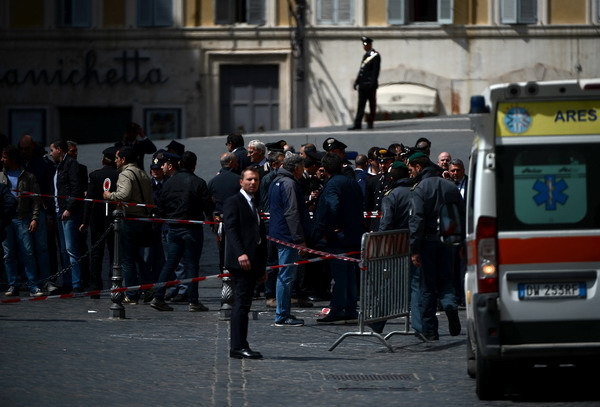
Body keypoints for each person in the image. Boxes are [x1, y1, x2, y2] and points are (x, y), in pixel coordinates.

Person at [408, 152, 464, 342]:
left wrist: (414, 249)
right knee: (447, 281)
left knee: (427, 287)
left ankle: (430, 330)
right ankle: (450, 306)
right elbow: (462, 215)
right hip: (449, 241)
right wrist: (462, 242)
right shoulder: (451, 187)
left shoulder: (421, 189)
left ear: (418, 168)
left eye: (411, 169)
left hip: (428, 242)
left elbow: (417, 220)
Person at [150, 151, 214, 312]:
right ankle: (193, 301)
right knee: (192, 264)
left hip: (173, 227)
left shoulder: (169, 183)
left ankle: (158, 296)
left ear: (179, 164)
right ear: (194, 165)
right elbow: (208, 207)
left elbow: (160, 207)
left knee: (170, 263)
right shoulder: (198, 182)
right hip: (192, 229)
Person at [312, 153, 364, 324]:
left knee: (340, 275)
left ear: (325, 169)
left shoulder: (333, 184)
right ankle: (350, 308)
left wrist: (331, 227)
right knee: (349, 274)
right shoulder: (352, 182)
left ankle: (337, 308)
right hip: (353, 235)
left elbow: (333, 206)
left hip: (339, 237)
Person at [223, 167, 268, 359]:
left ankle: (242, 343)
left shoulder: (253, 203)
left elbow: (258, 235)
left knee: (245, 303)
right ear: (241, 181)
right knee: (241, 304)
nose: (253, 183)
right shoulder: (234, 201)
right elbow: (231, 229)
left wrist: (261, 266)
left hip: (253, 262)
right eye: (249, 179)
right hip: (241, 262)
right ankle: (237, 346)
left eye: (256, 180)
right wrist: (240, 253)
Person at [103, 145, 154, 304]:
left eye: (117, 158)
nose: (115, 161)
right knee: (137, 257)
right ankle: (148, 288)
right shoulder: (142, 173)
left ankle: (131, 294)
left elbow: (124, 195)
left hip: (130, 220)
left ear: (124, 159)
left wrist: (109, 195)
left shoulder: (125, 174)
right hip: (143, 220)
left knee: (127, 259)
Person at [268, 154, 310, 327]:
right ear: (295, 168)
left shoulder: (275, 181)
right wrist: (299, 239)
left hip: (279, 234)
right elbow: (292, 213)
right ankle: (282, 314)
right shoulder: (289, 184)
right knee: (286, 276)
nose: (303, 170)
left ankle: (283, 312)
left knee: (283, 275)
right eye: (302, 167)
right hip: (288, 236)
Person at [1, 145, 44, 297]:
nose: (2, 160)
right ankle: (13, 284)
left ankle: (33, 285)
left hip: (22, 218)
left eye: (5, 157)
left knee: (28, 252)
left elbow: (36, 199)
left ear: (12, 158)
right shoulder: (1, 176)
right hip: (5, 220)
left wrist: (34, 218)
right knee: (8, 254)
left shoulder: (28, 176)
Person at [80, 146, 119, 298]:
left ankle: (95, 287)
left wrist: (85, 221)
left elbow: (88, 201)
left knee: (96, 254)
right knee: (114, 254)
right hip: (113, 220)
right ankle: (114, 286)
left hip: (97, 220)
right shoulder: (119, 175)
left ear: (103, 160)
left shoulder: (95, 175)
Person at [49, 139, 85, 292]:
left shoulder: (71, 164)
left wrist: (69, 209)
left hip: (68, 212)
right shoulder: (58, 166)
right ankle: (68, 282)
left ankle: (76, 283)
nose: (50, 153)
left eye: (52, 150)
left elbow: (76, 188)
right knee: (64, 250)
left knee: (71, 250)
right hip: (59, 211)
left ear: (59, 150)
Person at [349, 36, 381, 130]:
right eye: (364, 45)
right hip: (363, 84)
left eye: (366, 44)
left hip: (370, 84)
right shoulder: (365, 56)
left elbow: (375, 71)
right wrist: (357, 81)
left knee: (372, 104)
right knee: (361, 105)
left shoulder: (375, 55)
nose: (364, 46)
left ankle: (370, 123)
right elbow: (362, 70)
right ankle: (358, 123)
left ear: (370, 45)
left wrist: (372, 83)